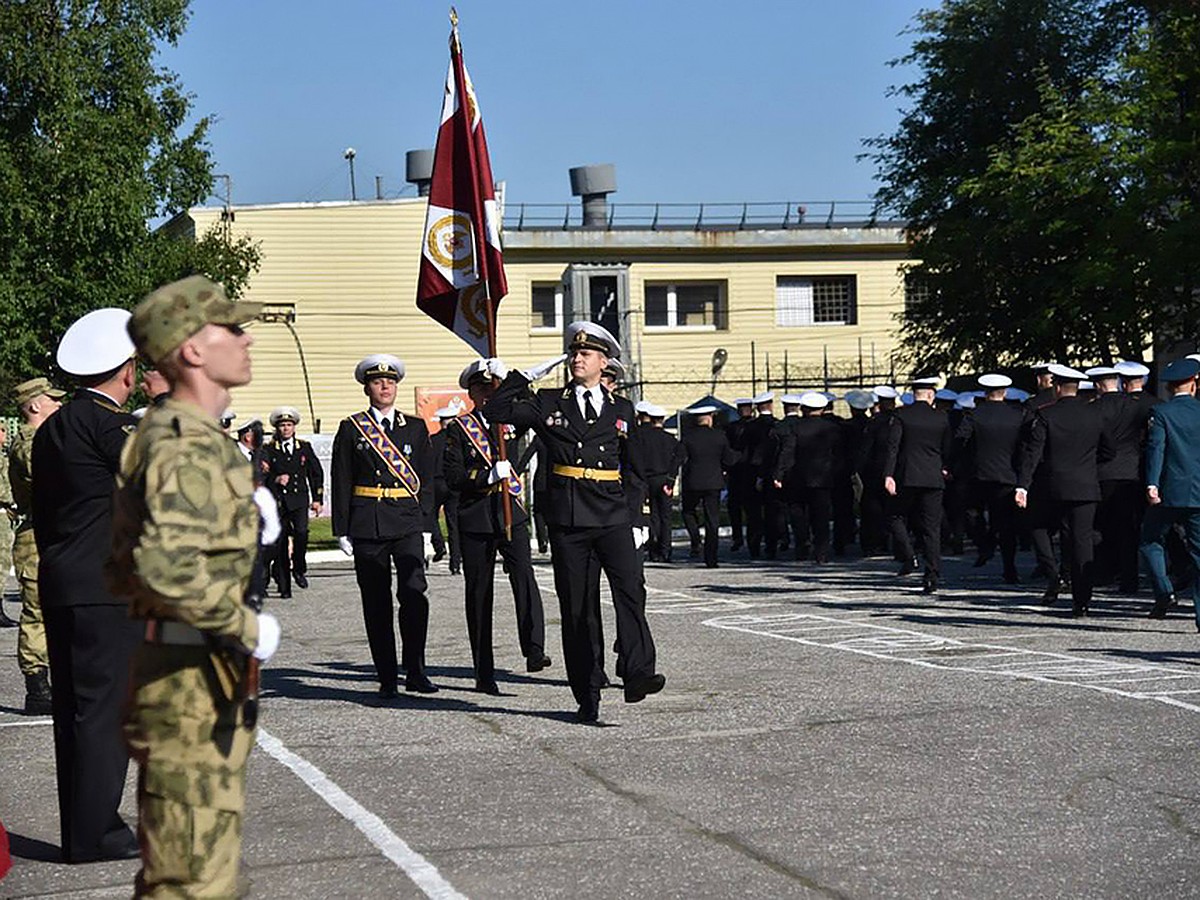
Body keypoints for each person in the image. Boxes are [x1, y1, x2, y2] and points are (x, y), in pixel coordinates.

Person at [109, 274, 281, 897]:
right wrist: (246, 626)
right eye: (230, 328)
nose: (246, 338)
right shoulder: (181, 442)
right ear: (192, 350)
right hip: (188, 678)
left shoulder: (199, 437)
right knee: (189, 882)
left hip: (202, 669)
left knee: (203, 870)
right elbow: (163, 567)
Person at [483, 321, 665, 725]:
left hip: (614, 515)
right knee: (579, 609)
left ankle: (638, 672)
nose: (577, 358)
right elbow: (493, 410)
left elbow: (635, 470)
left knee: (632, 592)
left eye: (586, 353)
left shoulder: (621, 408)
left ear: (604, 362)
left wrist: (638, 517)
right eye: (574, 352)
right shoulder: (549, 402)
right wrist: (523, 376)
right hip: (571, 519)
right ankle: (588, 692)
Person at [32, 308, 141, 863]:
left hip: (62, 578)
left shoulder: (51, 427)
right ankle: (97, 834)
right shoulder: (112, 426)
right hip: (106, 584)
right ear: (125, 371)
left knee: (74, 710)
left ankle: (81, 829)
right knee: (105, 712)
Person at [331, 354, 437, 697]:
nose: (385, 386)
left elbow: (427, 480)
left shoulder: (416, 428)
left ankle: (416, 669)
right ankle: (387, 675)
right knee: (376, 602)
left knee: (413, 594)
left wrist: (427, 526)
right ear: (368, 388)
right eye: (378, 382)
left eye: (390, 382)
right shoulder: (352, 428)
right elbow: (341, 478)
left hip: (406, 521)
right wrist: (342, 529)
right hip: (368, 523)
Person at [443, 360, 550, 694]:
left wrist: (510, 380)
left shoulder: (510, 420)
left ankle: (534, 649)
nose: (488, 395)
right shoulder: (458, 430)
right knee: (479, 593)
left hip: (511, 512)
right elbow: (453, 477)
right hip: (477, 514)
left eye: (493, 389)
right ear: (471, 394)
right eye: (481, 389)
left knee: (525, 577)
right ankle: (483, 670)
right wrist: (485, 477)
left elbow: (535, 406)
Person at [1016, 364, 1103, 616]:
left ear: (1056, 388)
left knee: (1058, 535)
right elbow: (1107, 449)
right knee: (1082, 541)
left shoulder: (1046, 415)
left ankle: (1061, 581)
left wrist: (1023, 485)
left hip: (1056, 485)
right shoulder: (1094, 415)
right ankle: (1083, 599)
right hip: (1086, 484)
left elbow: (1033, 454)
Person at [9, 377, 65, 714]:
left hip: (51, 534)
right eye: (51, 401)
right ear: (33, 406)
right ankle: (37, 689)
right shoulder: (29, 444)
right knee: (36, 616)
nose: (58, 405)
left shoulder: (44, 439)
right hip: (36, 539)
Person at [1140, 358, 1200, 623]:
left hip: (1170, 491)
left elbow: (1157, 449)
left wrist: (1152, 484)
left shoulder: (1162, 413)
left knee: (1150, 540)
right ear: (1194, 383)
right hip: (1198, 493)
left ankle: (1164, 590)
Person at [884, 376, 953, 595]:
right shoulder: (941, 418)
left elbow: (893, 448)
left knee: (895, 516)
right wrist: (945, 467)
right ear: (931, 395)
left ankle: (908, 555)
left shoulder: (901, 415)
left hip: (907, 476)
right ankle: (932, 574)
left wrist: (888, 474)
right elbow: (947, 448)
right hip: (933, 477)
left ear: (914, 395)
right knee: (931, 528)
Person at [955, 374, 1024, 584]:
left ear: (985, 393)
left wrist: (957, 464)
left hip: (979, 474)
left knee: (971, 513)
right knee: (1005, 524)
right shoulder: (1017, 415)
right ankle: (1009, 567)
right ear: (1005, 392)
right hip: (1007, 475)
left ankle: (985, 544)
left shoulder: (973, 415)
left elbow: (960, 442)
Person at [1088, 366, 1144, 594]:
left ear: (1098, 385)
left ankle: (1105, 571)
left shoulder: (1093, 409)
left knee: (1102, 526)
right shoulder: (1135, 406)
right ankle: (1129, 577)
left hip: (1103, 472)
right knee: (1128, 528)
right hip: (1131, 471)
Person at [774, 392, 843, 563]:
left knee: (798, 514)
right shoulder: (832, 428)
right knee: (821, 516)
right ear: (822, 409)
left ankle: (802, 545)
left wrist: (779, 474)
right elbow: (840, 455)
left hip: (798, 477)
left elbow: (788, 452)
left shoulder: (795, 428)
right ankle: (821, 551)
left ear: (804, 409)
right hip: (823, 478)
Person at [264, 407, 324, 597]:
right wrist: (275, 478)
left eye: (289, 425)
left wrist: (317, 499)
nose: (286, 429)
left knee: (301, 533)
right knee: (280, 541)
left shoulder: (303, 447)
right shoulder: (268, 449)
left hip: (299, 498)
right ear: (277, 428)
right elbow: (262, 474)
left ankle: (299, 567)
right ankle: (284, 584)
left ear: (294, 427)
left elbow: (316, 473)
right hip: (279, 501)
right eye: (282, 426)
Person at [680, 404, 736, 568]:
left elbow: (681, 457)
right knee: (712, 519)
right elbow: (728, 459)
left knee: (688, 511)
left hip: (693, 482)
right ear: (709, 418)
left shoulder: (688, 437)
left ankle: (696, 540)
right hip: (713, 482)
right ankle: (711, 557)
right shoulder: (719, 436)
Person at [628, 402, 683, 562]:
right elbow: (679, 457)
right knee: (666, 516)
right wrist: (671, 480)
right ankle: (666, 550)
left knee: (651, 515)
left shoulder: (641, 437)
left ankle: (653, 548)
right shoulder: (670, 439)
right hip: (665, 479)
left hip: (646, 479)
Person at [429, 406, 463, 574]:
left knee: (430, 516)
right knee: (454, 524)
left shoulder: (432, 440)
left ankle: (439, 545)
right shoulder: (457, 439)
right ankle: (455, 563)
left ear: (441, 422)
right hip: (453, 484)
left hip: (436, 482)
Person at [724, 398, 756, 552]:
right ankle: (752, 540)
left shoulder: (731, 428)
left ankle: (738, 538)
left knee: (735, 508)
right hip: (751, 471)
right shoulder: (756, 426)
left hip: (736, 471)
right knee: (751, 509)